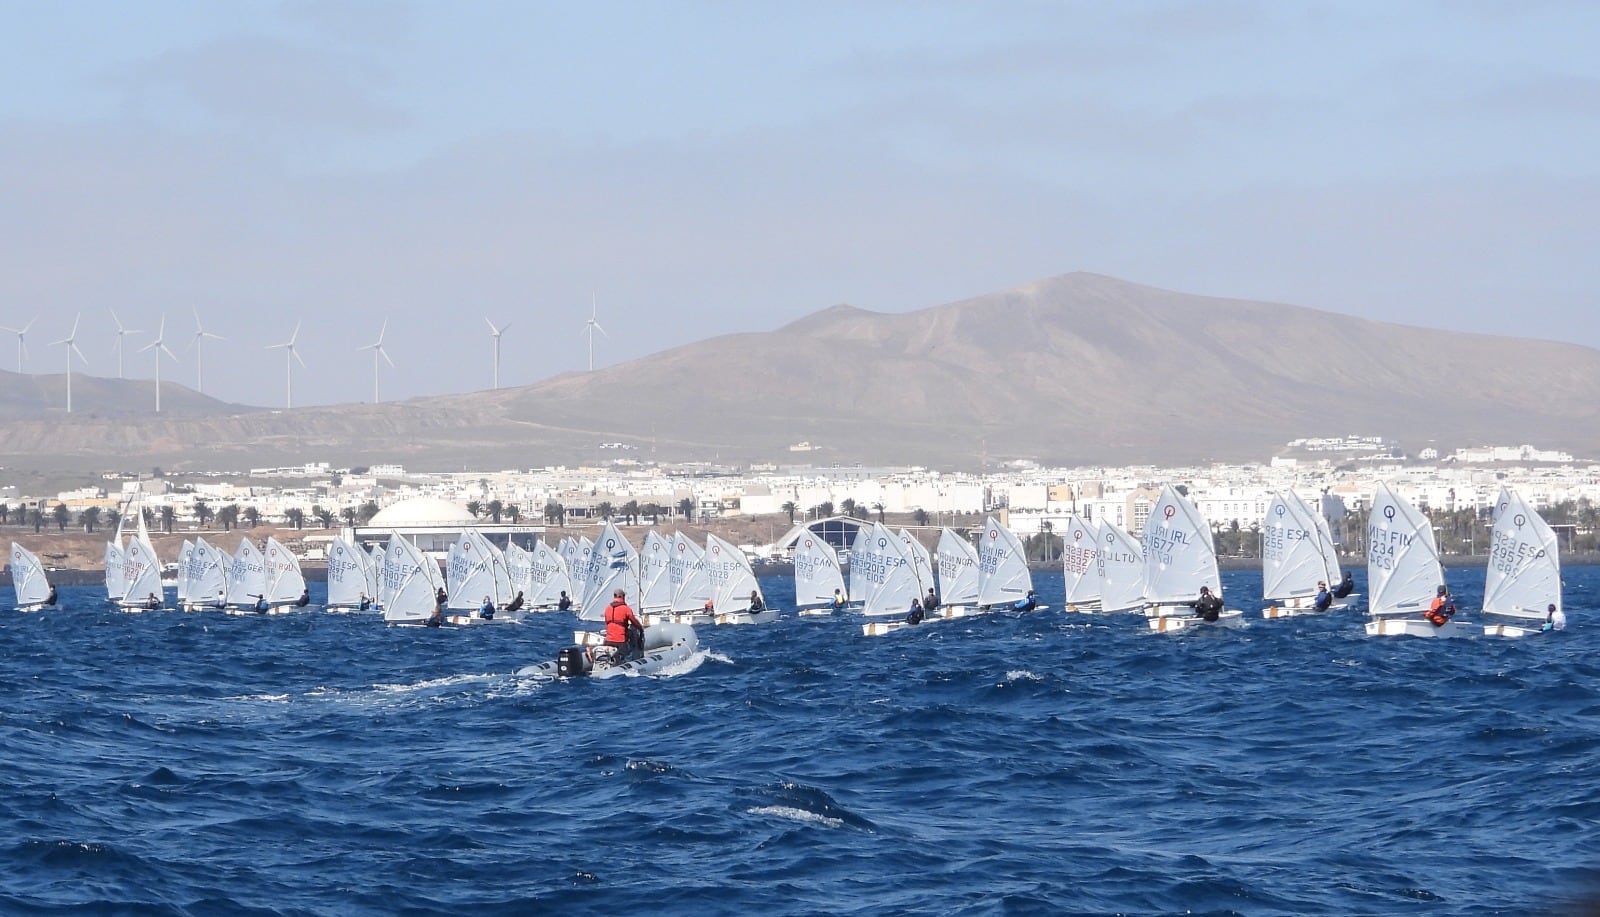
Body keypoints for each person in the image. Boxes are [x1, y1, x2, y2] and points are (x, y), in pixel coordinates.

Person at [604, 588, 644, 661]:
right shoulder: (626, 609)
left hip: (608, 640)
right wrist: (640, 627)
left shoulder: (607, 608)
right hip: (620, 641)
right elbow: (634, 621)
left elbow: (607, 622)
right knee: (628, 653)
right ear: (622, 596)